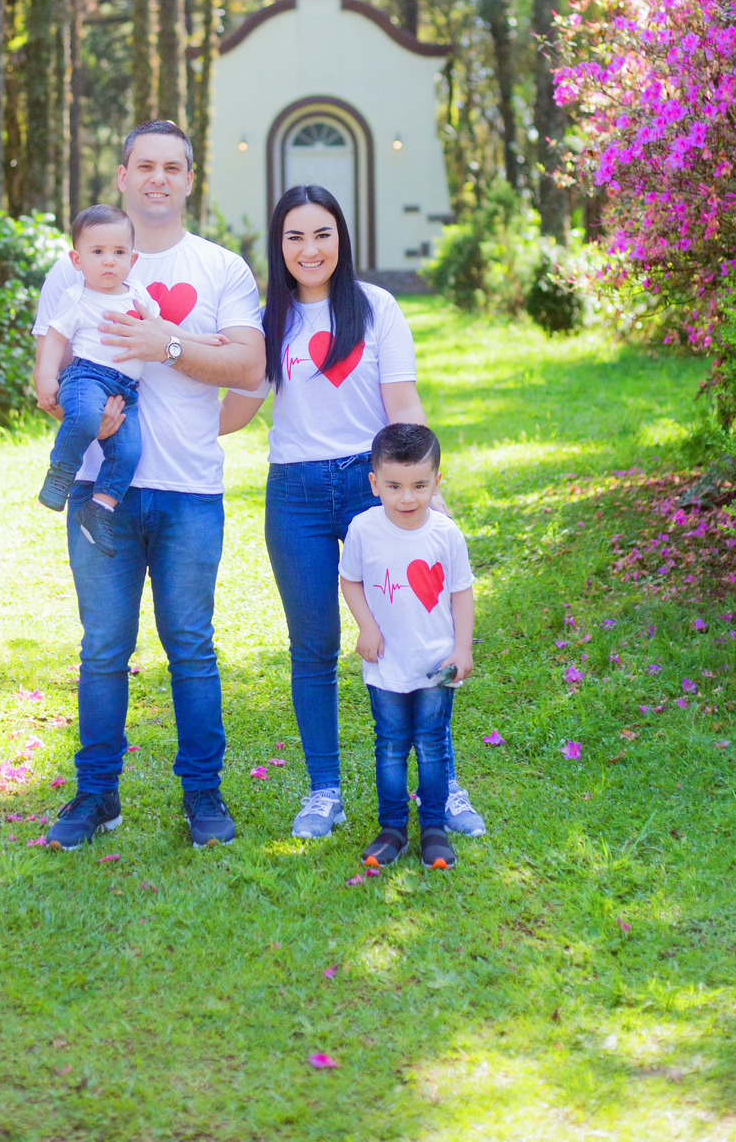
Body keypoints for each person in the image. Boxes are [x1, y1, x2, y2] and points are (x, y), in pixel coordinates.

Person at [218, 184, 486, 841]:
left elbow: (403, 405)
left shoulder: (376, 309)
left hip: (375, 488)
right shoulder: (266, 321)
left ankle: (441, 788)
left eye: (322, 234)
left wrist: (434, 504)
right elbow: (239, 406)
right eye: (294, 237)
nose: (309, 249)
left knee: (410, 638)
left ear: (342, 238)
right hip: (296, 494)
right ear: (279, 246)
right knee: (313, 646)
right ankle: (324, 792)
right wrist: (164, 426)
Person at [31, 120, 266, 851]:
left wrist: (166, 344)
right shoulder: (76, 266)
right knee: (103, 647)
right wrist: (72, 403)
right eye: (145, 166)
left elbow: (250, 370)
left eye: (173, 167)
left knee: (191, 647)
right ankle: (96, 797)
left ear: (190, 180)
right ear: (124, 176)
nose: (159, 178)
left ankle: (203, 796)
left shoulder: (221, 268)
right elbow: (48, 370)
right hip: (102, 487)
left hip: (190, 491)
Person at [340, 422, 474, 872]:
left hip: (436, 664)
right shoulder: (362, 529)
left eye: (420, 485)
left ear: (437, 480)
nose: (407, 498)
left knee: (433, 745)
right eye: (394, 486)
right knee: (391, 745)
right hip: (386, 664)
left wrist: (462, 649)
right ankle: (393, 827)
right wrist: (366, 626)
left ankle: (434, 827)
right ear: (375, 482)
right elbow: (351, 580)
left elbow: (460, 592)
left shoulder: (446, 534)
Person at [34, 204, 159, 554]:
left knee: (130, 451)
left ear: (132, 260)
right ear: (77, 260)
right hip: (85, 377)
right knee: (86, 416)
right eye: (98, 252)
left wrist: (201, 342)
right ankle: (61, 472)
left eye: (118, 252)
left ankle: (99, 508)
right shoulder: (77, 296)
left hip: (126, 392)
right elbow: (56, 339)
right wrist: (47, 378)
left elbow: (161, 331)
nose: (108, 261)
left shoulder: (138, 296)